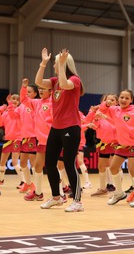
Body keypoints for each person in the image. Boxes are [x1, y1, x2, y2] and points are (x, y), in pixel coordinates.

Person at [35, 47, 85, 212]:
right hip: (56, 128)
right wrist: (43, 64)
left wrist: (62, 65)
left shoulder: (75, 80)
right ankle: (56, 197)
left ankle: (77, 201)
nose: (55, 66)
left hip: (71, 127)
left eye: (56, 64)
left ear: (64, 64)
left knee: (69, 163)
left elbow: (64, 84)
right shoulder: (54, 80)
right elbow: (39, 82)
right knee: (49, 163)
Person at [99, 89, 134, 207]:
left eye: (126, 98)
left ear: (130, 100)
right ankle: (119, 193)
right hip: (122, 144)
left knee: (132, 170)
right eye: (121, 97)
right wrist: (106, 103)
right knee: (113, 167)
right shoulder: (115, 110)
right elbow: (102, 109)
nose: (123, 100)